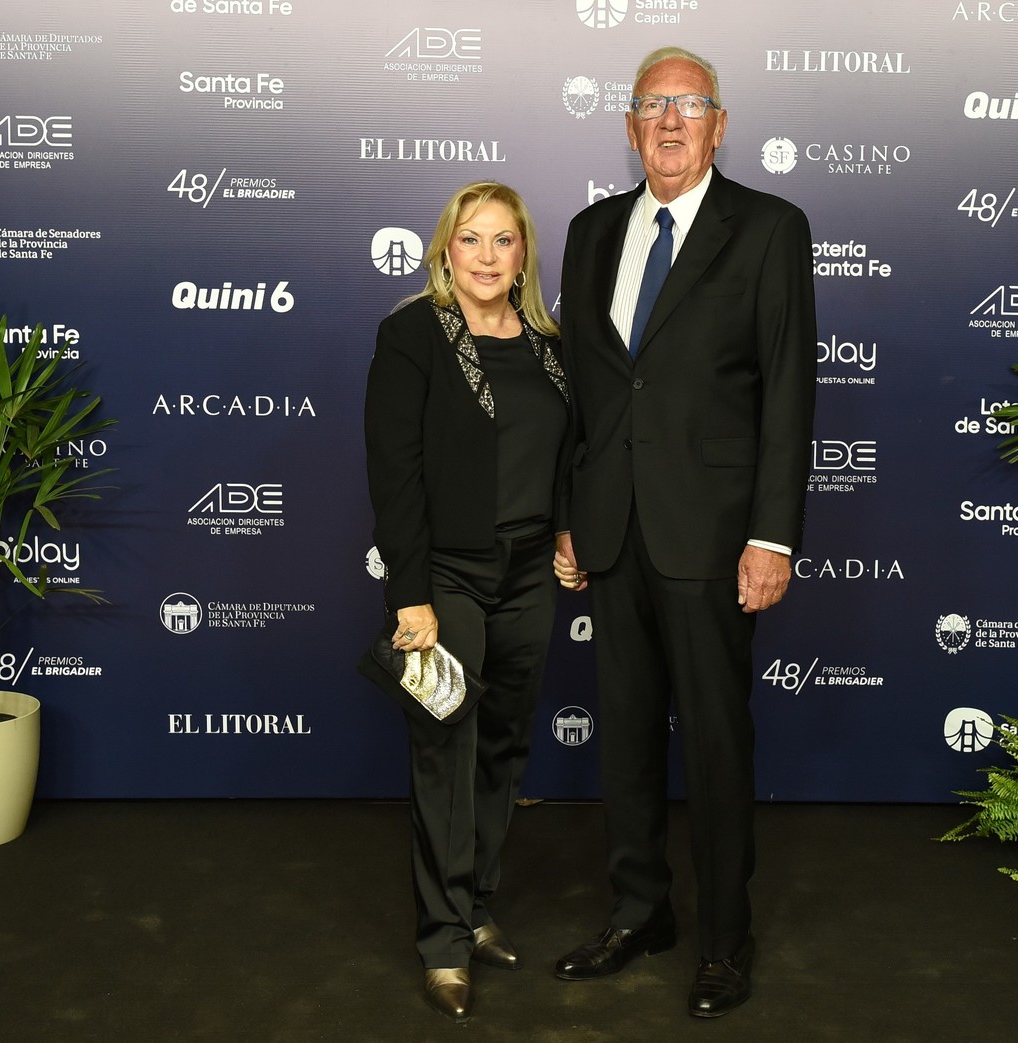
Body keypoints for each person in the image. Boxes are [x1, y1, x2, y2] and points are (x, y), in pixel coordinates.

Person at [550, 46, 816, 1018]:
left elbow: (787, 387)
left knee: (712, 742)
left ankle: (723, 939)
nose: (669, 121)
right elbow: (581, 392)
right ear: (628, 127)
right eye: (652, 105)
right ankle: (638, 913)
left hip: (711, 535)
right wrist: (570, 517)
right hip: (612, 529)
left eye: (688, 104)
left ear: (718, 124)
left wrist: (772, 535)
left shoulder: (769, 228)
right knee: (623, 737)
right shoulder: (589, 231)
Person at [363, 181, 569, 1024]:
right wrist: (410, 595)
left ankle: (476, 904)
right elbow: (395, 473)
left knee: (502, 751)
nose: (487, 256)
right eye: (471, 239)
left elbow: (568, 455)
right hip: (447, 575)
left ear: (523, 254)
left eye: (503, 240)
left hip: (528, 574)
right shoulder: (412, 334)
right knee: (446, 755)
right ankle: (443, 941)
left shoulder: (550, 346)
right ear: (445, 249)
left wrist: (567, 533)